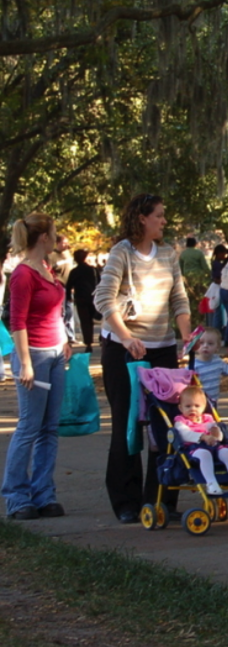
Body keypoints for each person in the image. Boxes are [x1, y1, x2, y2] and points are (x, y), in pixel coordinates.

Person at [93, 193, 192, 524]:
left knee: (167, 424)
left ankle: (163, 498)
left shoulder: (167, 254)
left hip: (162, 347)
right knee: (129, 423)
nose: (164, 221)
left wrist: (186, 334)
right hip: (124, 349)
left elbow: (179, 298)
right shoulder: (122, 252)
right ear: (141, 219)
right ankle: (126, 501)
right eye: (159, 215)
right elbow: (104, 299)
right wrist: (126, 337)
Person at [2, 213, 73, 520]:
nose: (57, 238)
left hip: (56, 352)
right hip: (33, 354)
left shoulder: (47, 269)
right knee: (30, 426)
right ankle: (17, 497)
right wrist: (25, 364)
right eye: (54, 233)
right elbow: (17, 321)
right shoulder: (23, 274)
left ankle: (44, 493)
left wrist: (65, 340)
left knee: (49, 428)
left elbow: (56, 310)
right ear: (43, 238)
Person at [173, 386, 228, 496]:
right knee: (204, 454)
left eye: (197, 406)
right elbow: (184, 434)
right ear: (181, 408)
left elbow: (219, 437)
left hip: (214, 446)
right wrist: (202, 436)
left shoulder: (208, 419)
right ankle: (211, 483)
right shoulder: (181, 421)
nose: (192, 409)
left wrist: (216, 433)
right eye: (188, 406)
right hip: (194, 449)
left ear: (204, 407)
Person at [65, 249, 100, 353]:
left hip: (80, 299)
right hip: (93, 298)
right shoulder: (93, 270)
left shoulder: (74, 272)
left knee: (85, 321)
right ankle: (102, 337)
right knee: (96, 320)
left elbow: (68, 286)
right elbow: (100, 282)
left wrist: (68, 297)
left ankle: (88, 343)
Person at [192, 327, 228, 406]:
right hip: (198, 402)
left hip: (213, 401)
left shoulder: (218, 361)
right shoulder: (193, 365)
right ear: (195, 345)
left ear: (217, 347)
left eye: (210, 343)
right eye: (201, 343)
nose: (205, 346)